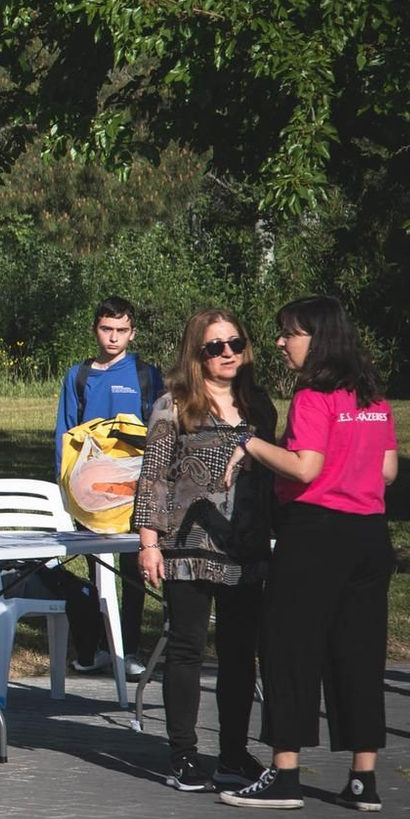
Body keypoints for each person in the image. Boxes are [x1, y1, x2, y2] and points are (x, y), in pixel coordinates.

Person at [222, 297, 399, 811]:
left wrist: (250, 444)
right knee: (360, 655)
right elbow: (387, 471)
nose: (280, 343)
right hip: (369, 535)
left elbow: (304, 467)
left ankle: (285, 775)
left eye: (289, 334)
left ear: (317, 338)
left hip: (316, 534)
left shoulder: (313, 395)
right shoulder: (373, 396)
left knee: (289, 649)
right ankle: (363, 779)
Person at [132, 308, 275, 793]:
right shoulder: (175, 405)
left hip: (245, 546)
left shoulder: (260, 406)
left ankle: (233, 753)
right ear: (197, 353)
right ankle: (184, 755)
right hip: (187, 545)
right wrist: (148, 542)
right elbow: (151, 476)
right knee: (188, 648)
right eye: (215, 347)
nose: (228, 353)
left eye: (235, 343)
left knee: (239, 654)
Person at [54, 296, 165, 678]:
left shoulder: (147, 376)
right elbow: (65, 435)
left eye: (121, 330)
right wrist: (66, 489)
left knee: (131, 572)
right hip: (89, 493)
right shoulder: (78, 376)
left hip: (134, 490)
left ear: (132, 333)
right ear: (94, 330)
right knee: (95, 570)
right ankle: (97, 647)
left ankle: (129, 649)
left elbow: (162, 433)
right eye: (106, 329)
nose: (113, 337)